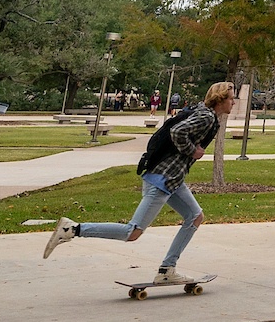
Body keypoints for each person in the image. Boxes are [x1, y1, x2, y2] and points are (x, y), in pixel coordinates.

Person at [42, 80, 231, 280]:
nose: (233, 103)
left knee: (195, 216)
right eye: (231, 98)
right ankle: (73, 229)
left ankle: (167, 270)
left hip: (172, 179)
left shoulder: (204, 113)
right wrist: (193, 151)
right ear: (220, 99)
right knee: (132, 232)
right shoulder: (206, 117)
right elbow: (178, 131)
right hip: (163, 179)